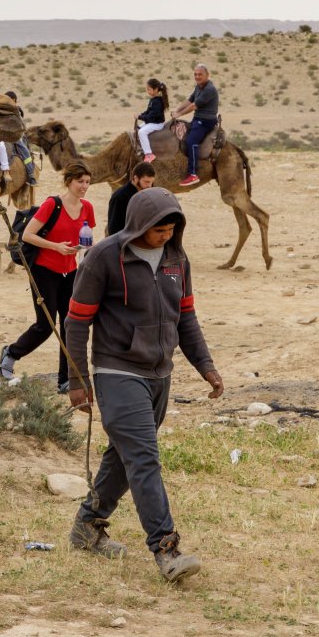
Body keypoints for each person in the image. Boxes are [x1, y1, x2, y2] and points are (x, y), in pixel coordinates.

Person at [65, 187, 224, 582]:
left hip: (160, 374)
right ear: (138, 225)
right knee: (145, 457)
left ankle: (88, 526)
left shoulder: (176, 260)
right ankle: (166, 549)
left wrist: (206, 365)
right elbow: (76, 321)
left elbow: (186, 319)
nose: (166, 236)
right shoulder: (103, 257)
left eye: (172, 229)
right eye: (159, 230)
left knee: (126, 456)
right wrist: (77, 378)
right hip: (116, 371)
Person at [0, 162, 95, 391]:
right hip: (44, 270)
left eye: (87, 182)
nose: (84, 186)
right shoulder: (54, 204)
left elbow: (88, 238)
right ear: (69, 182)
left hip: (71, 272)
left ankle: (65, 380)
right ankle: (11, 353)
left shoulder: (87, 208)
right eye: (80, 181)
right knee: (46, 324)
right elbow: (28, 235)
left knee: (70, 326)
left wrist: (86, 255)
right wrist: (56, 247)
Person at [174, 64, 218, 186]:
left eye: (200, 74)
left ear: (207, 75)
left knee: (191, 141)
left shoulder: (209, 89)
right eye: (195, 74)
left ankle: (193, 174)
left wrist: (180, 114)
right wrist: (177, 111)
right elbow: (190, 100)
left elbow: (194, 106)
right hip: (197, 119)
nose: (197, 77)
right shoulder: (199, 86)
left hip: (205, 121)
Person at [107, 161, 156, 236]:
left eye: (151, 182)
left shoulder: (149, 193)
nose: (150, 186)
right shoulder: (119, 197)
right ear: (135, 178)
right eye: (146, 182)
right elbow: (114, 230)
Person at [137, 78, 168, 163]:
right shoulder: (153, 100)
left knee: (141, 132)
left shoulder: (158, 101)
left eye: (149, 89)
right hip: (152, 121)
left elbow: (152, 116)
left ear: (156, 89)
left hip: (157, 124)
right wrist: (140, 115)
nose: (148, 91)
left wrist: (141, 117)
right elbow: (148, 112)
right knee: (138, 128)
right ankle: (140, 148)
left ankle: (149, 154)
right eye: (147, 89)